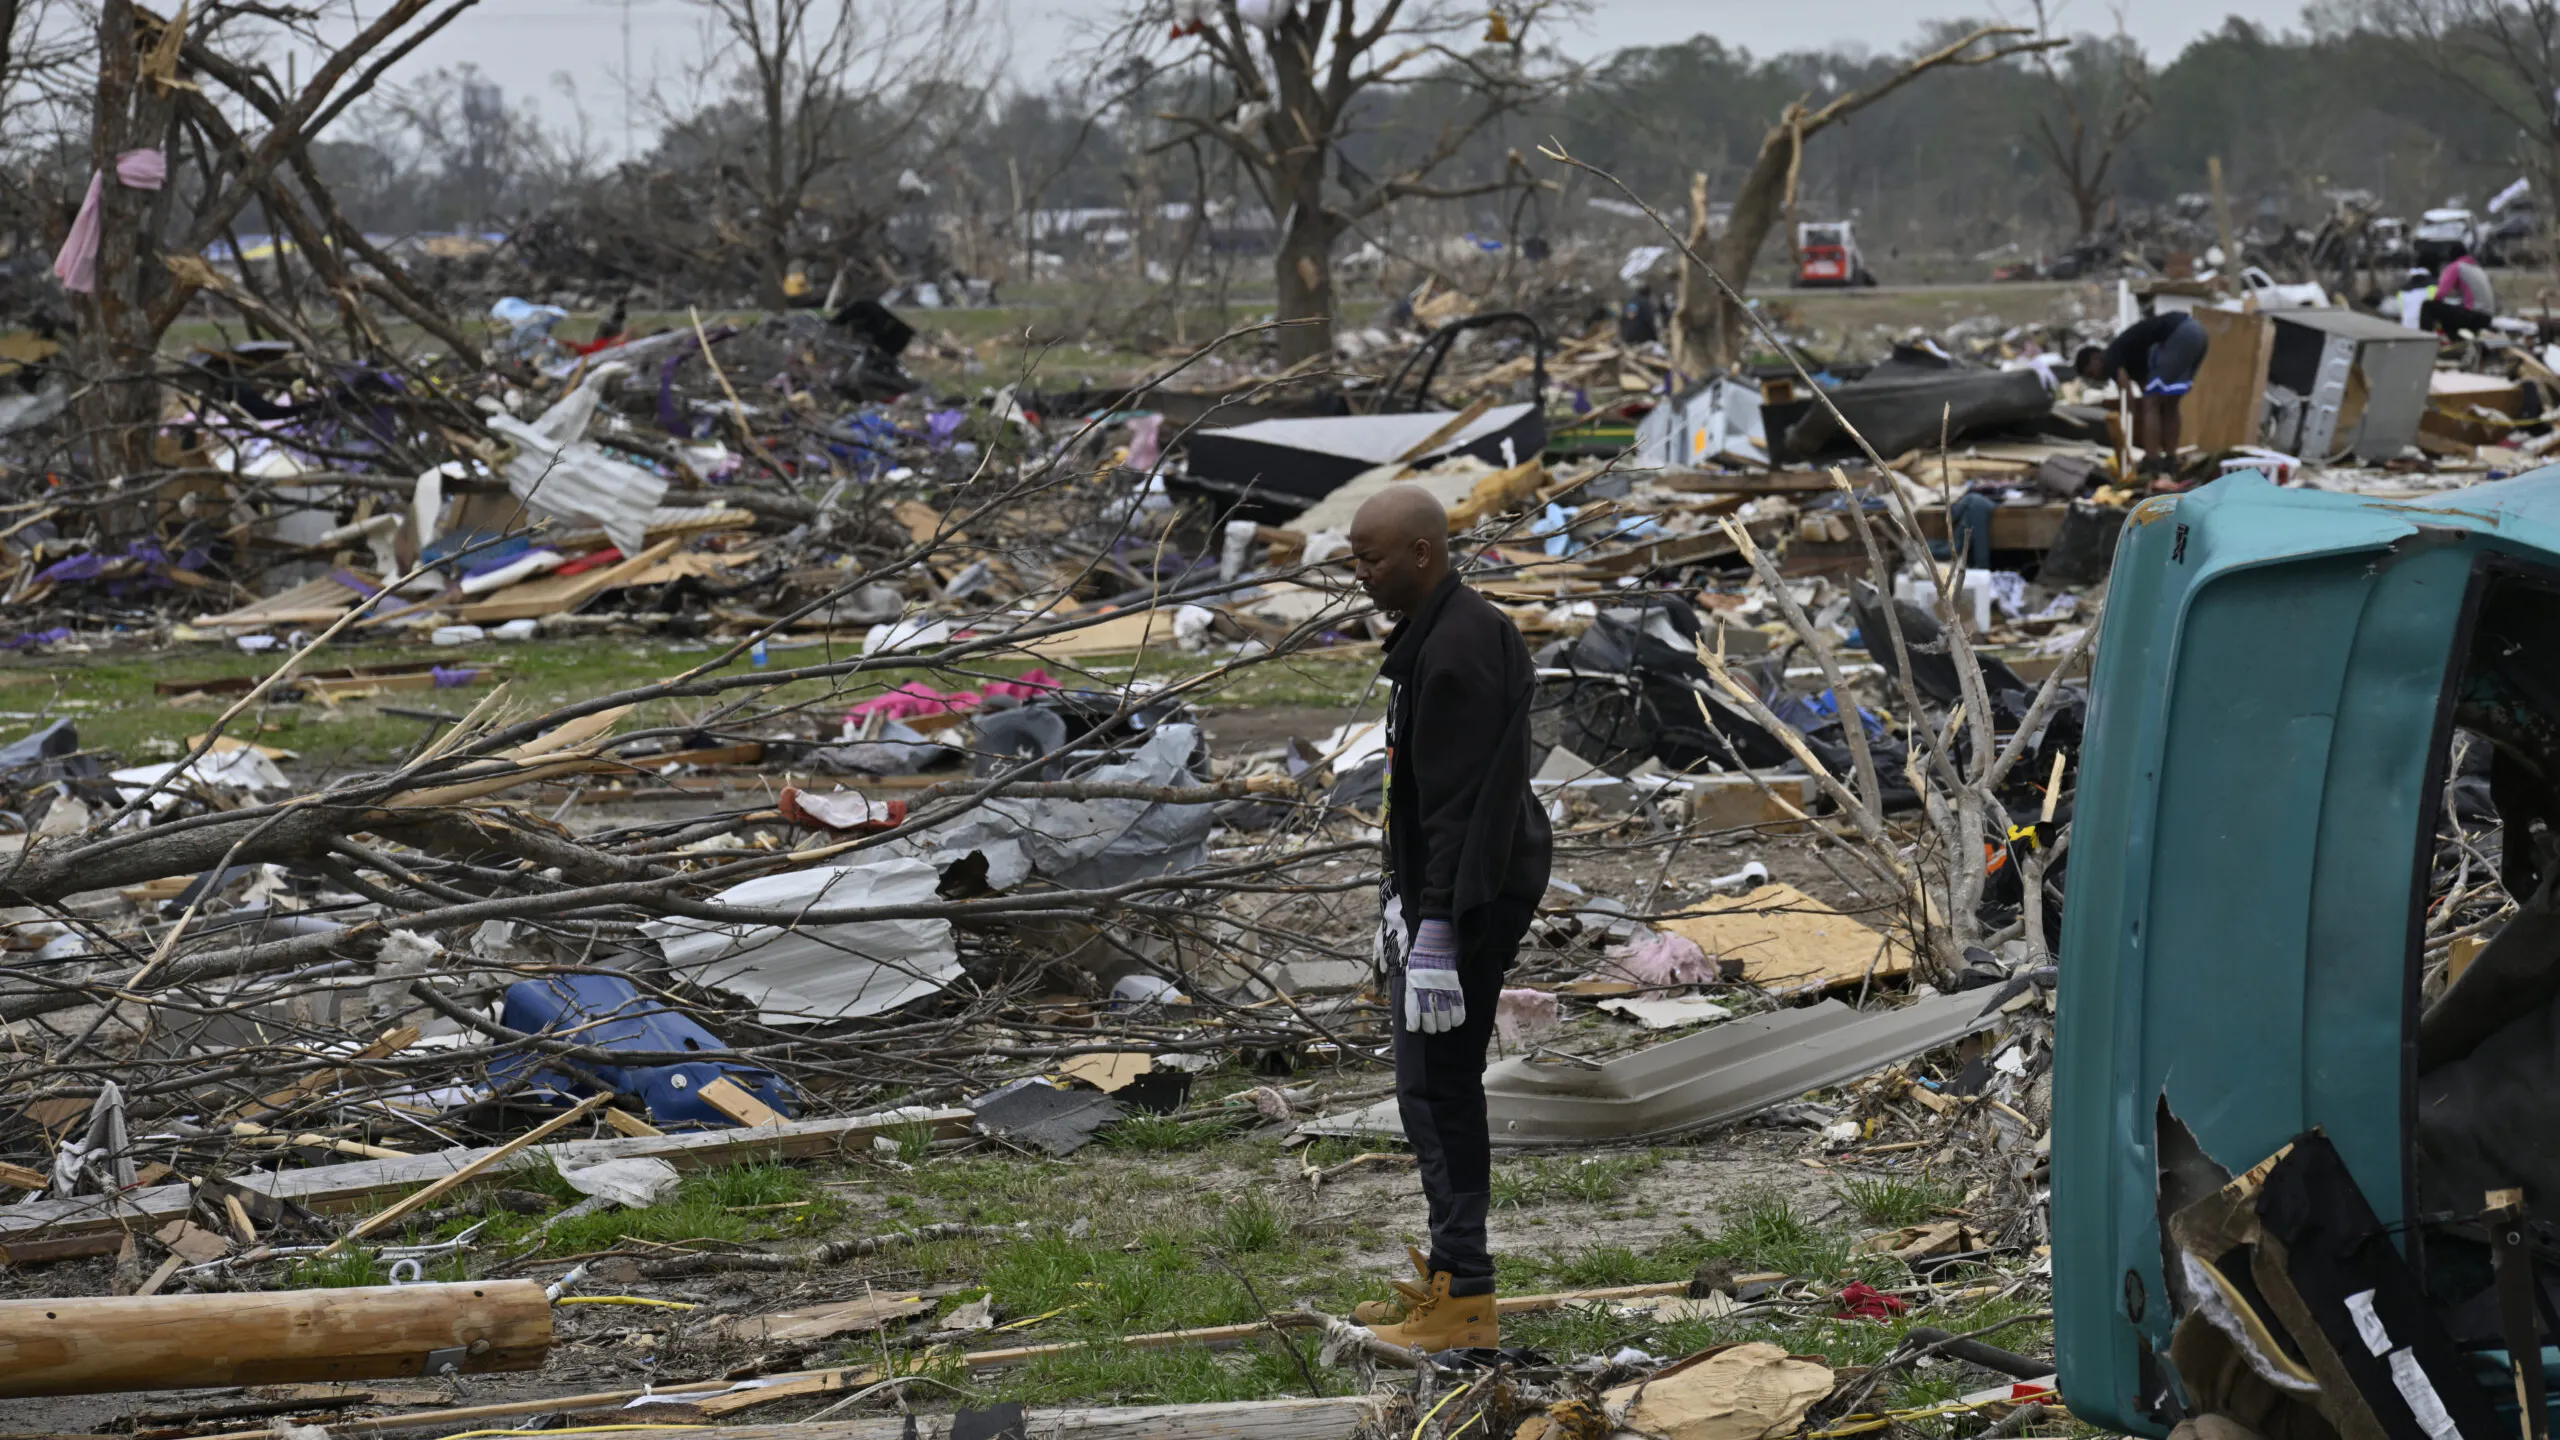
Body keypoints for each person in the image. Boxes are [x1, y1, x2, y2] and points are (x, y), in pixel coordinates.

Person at [1341, 484, 1552, 1354]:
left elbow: (1462, 809)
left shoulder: (1457, 649)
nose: (1361, 574)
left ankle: (1464, 1297)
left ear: (1422, 554)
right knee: (1436, 1086)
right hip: (1457, 892)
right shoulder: (1446, 630)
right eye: (1355, 557)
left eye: (1373, 558)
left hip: (1465, 900)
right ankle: (1451, 1279)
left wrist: (1436, 928)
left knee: (1437, 1090)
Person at [2076, 310, 2210, 482]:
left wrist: (2123, 429)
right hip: (2197, 332)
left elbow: (2127, 397)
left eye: (2091, 373)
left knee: (2151, 402)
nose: (2096, 377)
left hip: (2178, 334)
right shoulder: (2131, 357)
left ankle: (2152, 461)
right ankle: (2170, 459)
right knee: (2169, 403)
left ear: (2096, 358)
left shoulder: (2110, 356)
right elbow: (2144, 388)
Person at [2422, 249, 2497, 338]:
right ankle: (2455, 339)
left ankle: (2425, 338)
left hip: (2474, 315)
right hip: (2487, 318)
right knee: (2451, 314)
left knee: (2428, 306)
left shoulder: (2456, 266)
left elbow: (2440, 295)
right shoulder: (2477, 268)